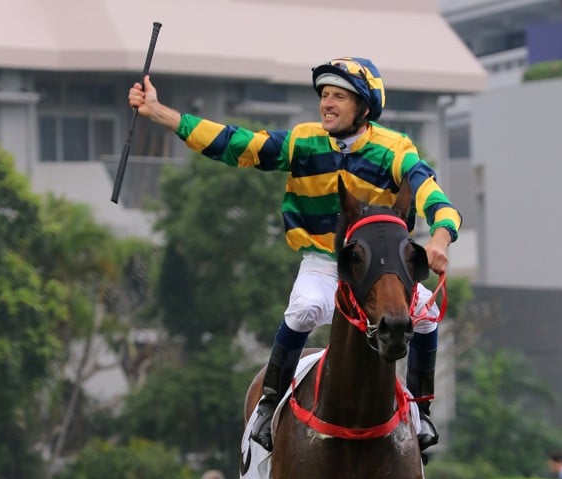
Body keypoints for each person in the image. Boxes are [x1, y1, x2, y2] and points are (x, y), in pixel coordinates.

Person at [128, 57, 461, 454]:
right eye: (324, 95)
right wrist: (160, 113)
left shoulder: (395, 150)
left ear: (365, 109)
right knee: (303, 309)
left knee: (423, 316)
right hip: (322, 261)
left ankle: (421, 414)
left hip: (377, 269)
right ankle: (269, 403)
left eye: (339, 96)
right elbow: (237, 144)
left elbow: (434, 196)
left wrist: (439, 239)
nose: (327, 104)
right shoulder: (302, 141)